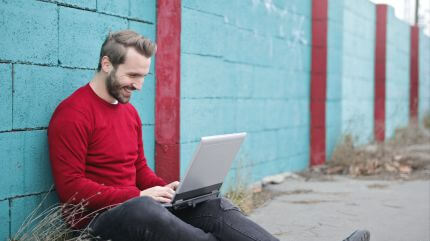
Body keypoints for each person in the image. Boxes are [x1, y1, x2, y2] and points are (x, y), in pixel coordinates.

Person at [48, 30, 370, 241]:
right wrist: (138, 197)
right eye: (133, 75)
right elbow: (71, 190)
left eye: (144, 76)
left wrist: (166, 188)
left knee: (211, 206)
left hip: (138, 206)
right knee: (143, 210)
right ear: (106, 63)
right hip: (97, 226)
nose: (139, 85)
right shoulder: (73, 114)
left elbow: (138, 171)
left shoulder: (129, 113)